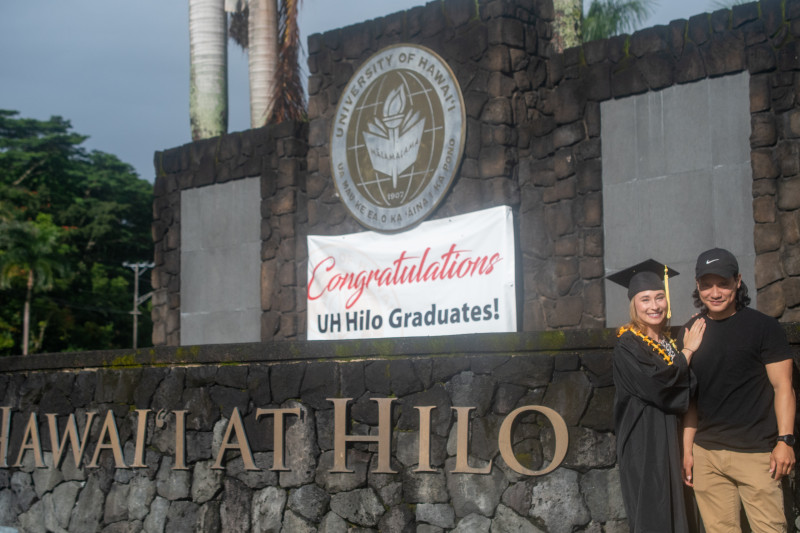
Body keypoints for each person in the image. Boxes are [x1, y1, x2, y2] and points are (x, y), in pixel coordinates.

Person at [682, 248, 795, 533]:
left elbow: (784, 387)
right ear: (697, 286)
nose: (715, 292)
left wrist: (785, 441)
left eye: (722, 283)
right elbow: (690, 399)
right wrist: (687, 451)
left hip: (757, 454)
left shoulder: (764, 328)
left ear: (738, 281)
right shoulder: (691, 331)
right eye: (706, 284)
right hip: (706, 455)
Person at [609, 259, 706, 533]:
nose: (654, 306)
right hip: (646, 443)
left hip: (673, 440)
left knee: (683, 513)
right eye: (645, 299)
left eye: (659, 297)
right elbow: (658, 387)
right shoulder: (627, 346)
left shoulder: (669, 342)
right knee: (655, 515)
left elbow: (689, 390)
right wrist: (688, 353)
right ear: (634, 305)